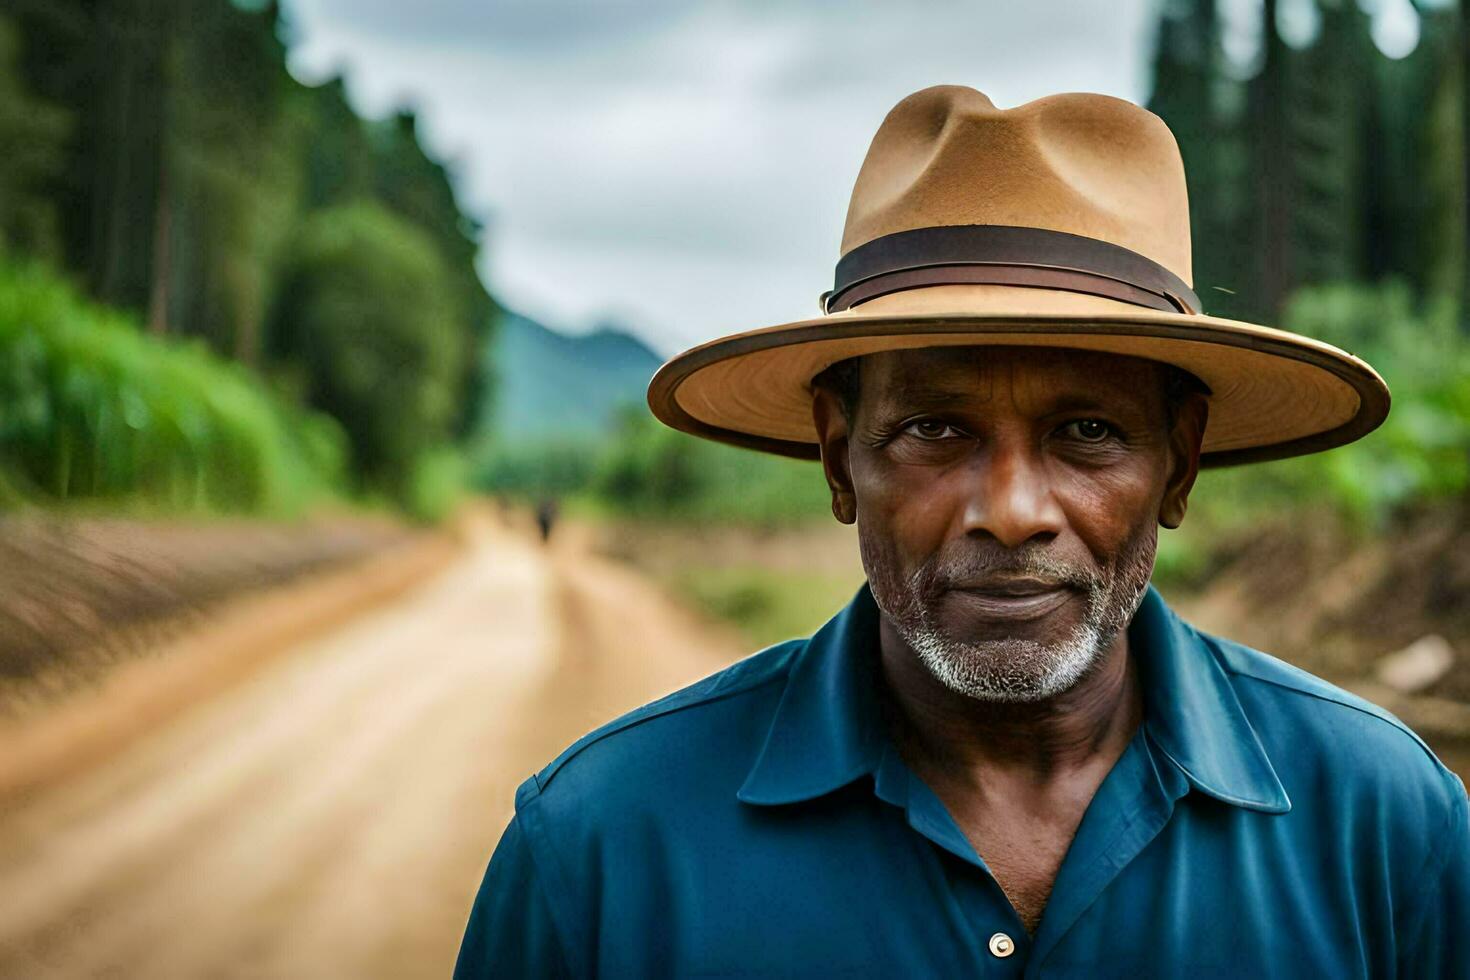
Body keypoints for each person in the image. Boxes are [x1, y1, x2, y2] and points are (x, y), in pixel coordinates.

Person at [454, 86, 1466, 977]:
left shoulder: (1384, 825)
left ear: (1180, 461)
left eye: (1088, 431)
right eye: (936, 428)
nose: (1013, 509)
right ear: (840, 455)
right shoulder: (597, 846)